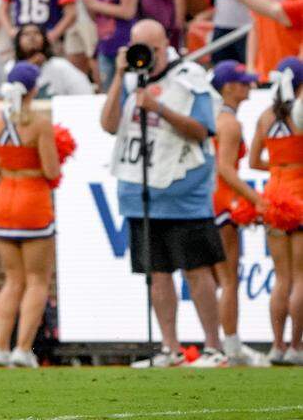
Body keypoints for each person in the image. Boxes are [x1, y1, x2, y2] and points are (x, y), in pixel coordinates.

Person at [100, 20, 228, 368]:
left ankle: (213, 347)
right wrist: (117, 75)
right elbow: (109, 125)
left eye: (150, 49)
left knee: (197, 270)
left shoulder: (188, 77)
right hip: (141, 193)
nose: (145, 56)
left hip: (183, 193)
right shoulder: (129, 81)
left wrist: (160, 110)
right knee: (157, 273)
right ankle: (170, 348)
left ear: (163, 46)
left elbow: (202, 130)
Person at [0, 61, 60, 368]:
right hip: (33, 203)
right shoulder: (40, 124)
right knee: (37, 279)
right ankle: (23, 348)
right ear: (34, 90)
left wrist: (11, 165)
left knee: (12, 280)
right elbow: (52, 170)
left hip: (4, 203)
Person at [208, 60, 271, 367]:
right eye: (243, 82)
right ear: (229, 87)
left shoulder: (213, 117)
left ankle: (221, 344)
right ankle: (231, 346)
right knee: (228, 278)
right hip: (222, 204)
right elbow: (226, 170)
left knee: (215, 279)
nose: (248, 87)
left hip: (207, 202)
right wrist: (257, 199)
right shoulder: (230, 123)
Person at [248, 57, 303, 364]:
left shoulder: (265, 116)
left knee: (281, 278)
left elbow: (254, 162)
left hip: (273, 198)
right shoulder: (301, 115)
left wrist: (281, 166)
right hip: (299, 194)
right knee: (301, 278)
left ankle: (277, 346)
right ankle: (297, 347)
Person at [12, 23, 93, 96]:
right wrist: (30, 64)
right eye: (26, 34)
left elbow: (84, 92)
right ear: (18, 41)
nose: (31, 37)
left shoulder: (60, 66)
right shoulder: (10, 68)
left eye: (36, 33)